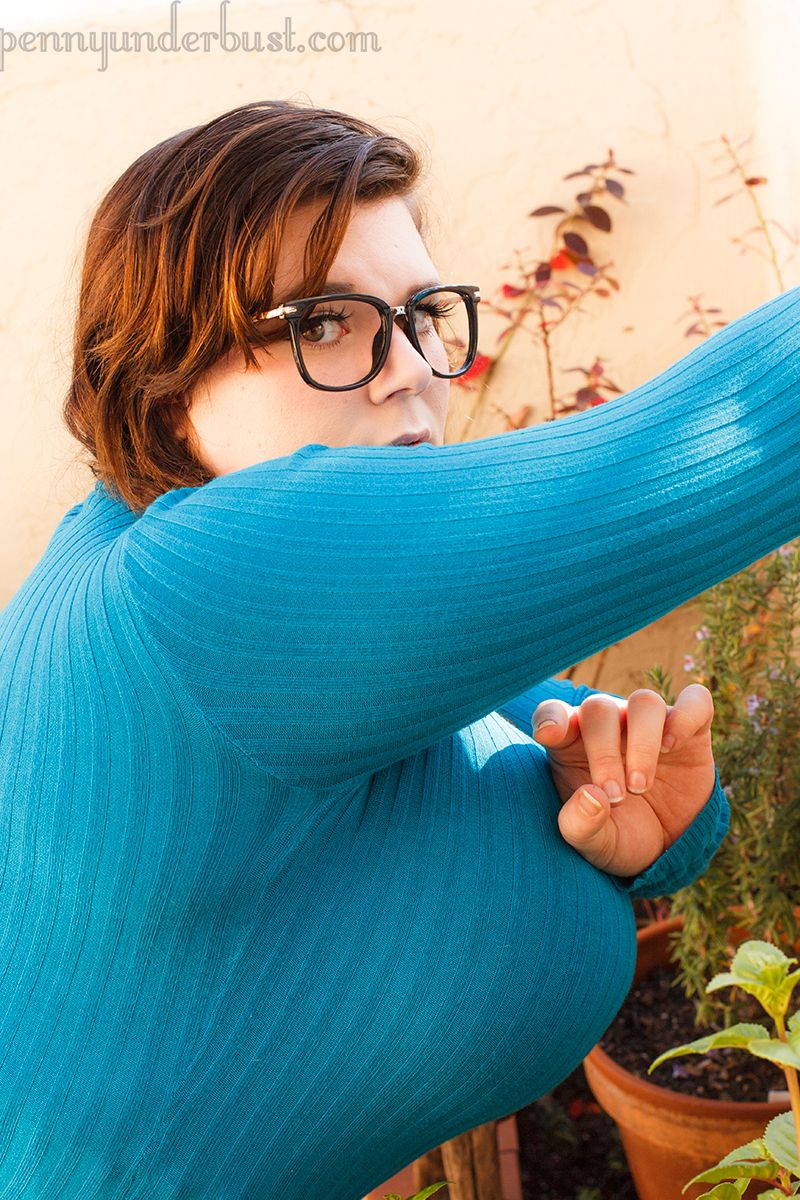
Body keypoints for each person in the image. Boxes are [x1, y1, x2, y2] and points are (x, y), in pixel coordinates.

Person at [0, 98, 797, 1200]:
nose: (410, 366)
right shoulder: (208, 587)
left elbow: (539, 741)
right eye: (324, 322)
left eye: (422, 312)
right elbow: (728, 436)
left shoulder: (135, 560)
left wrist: (652, 819)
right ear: (165, 388)